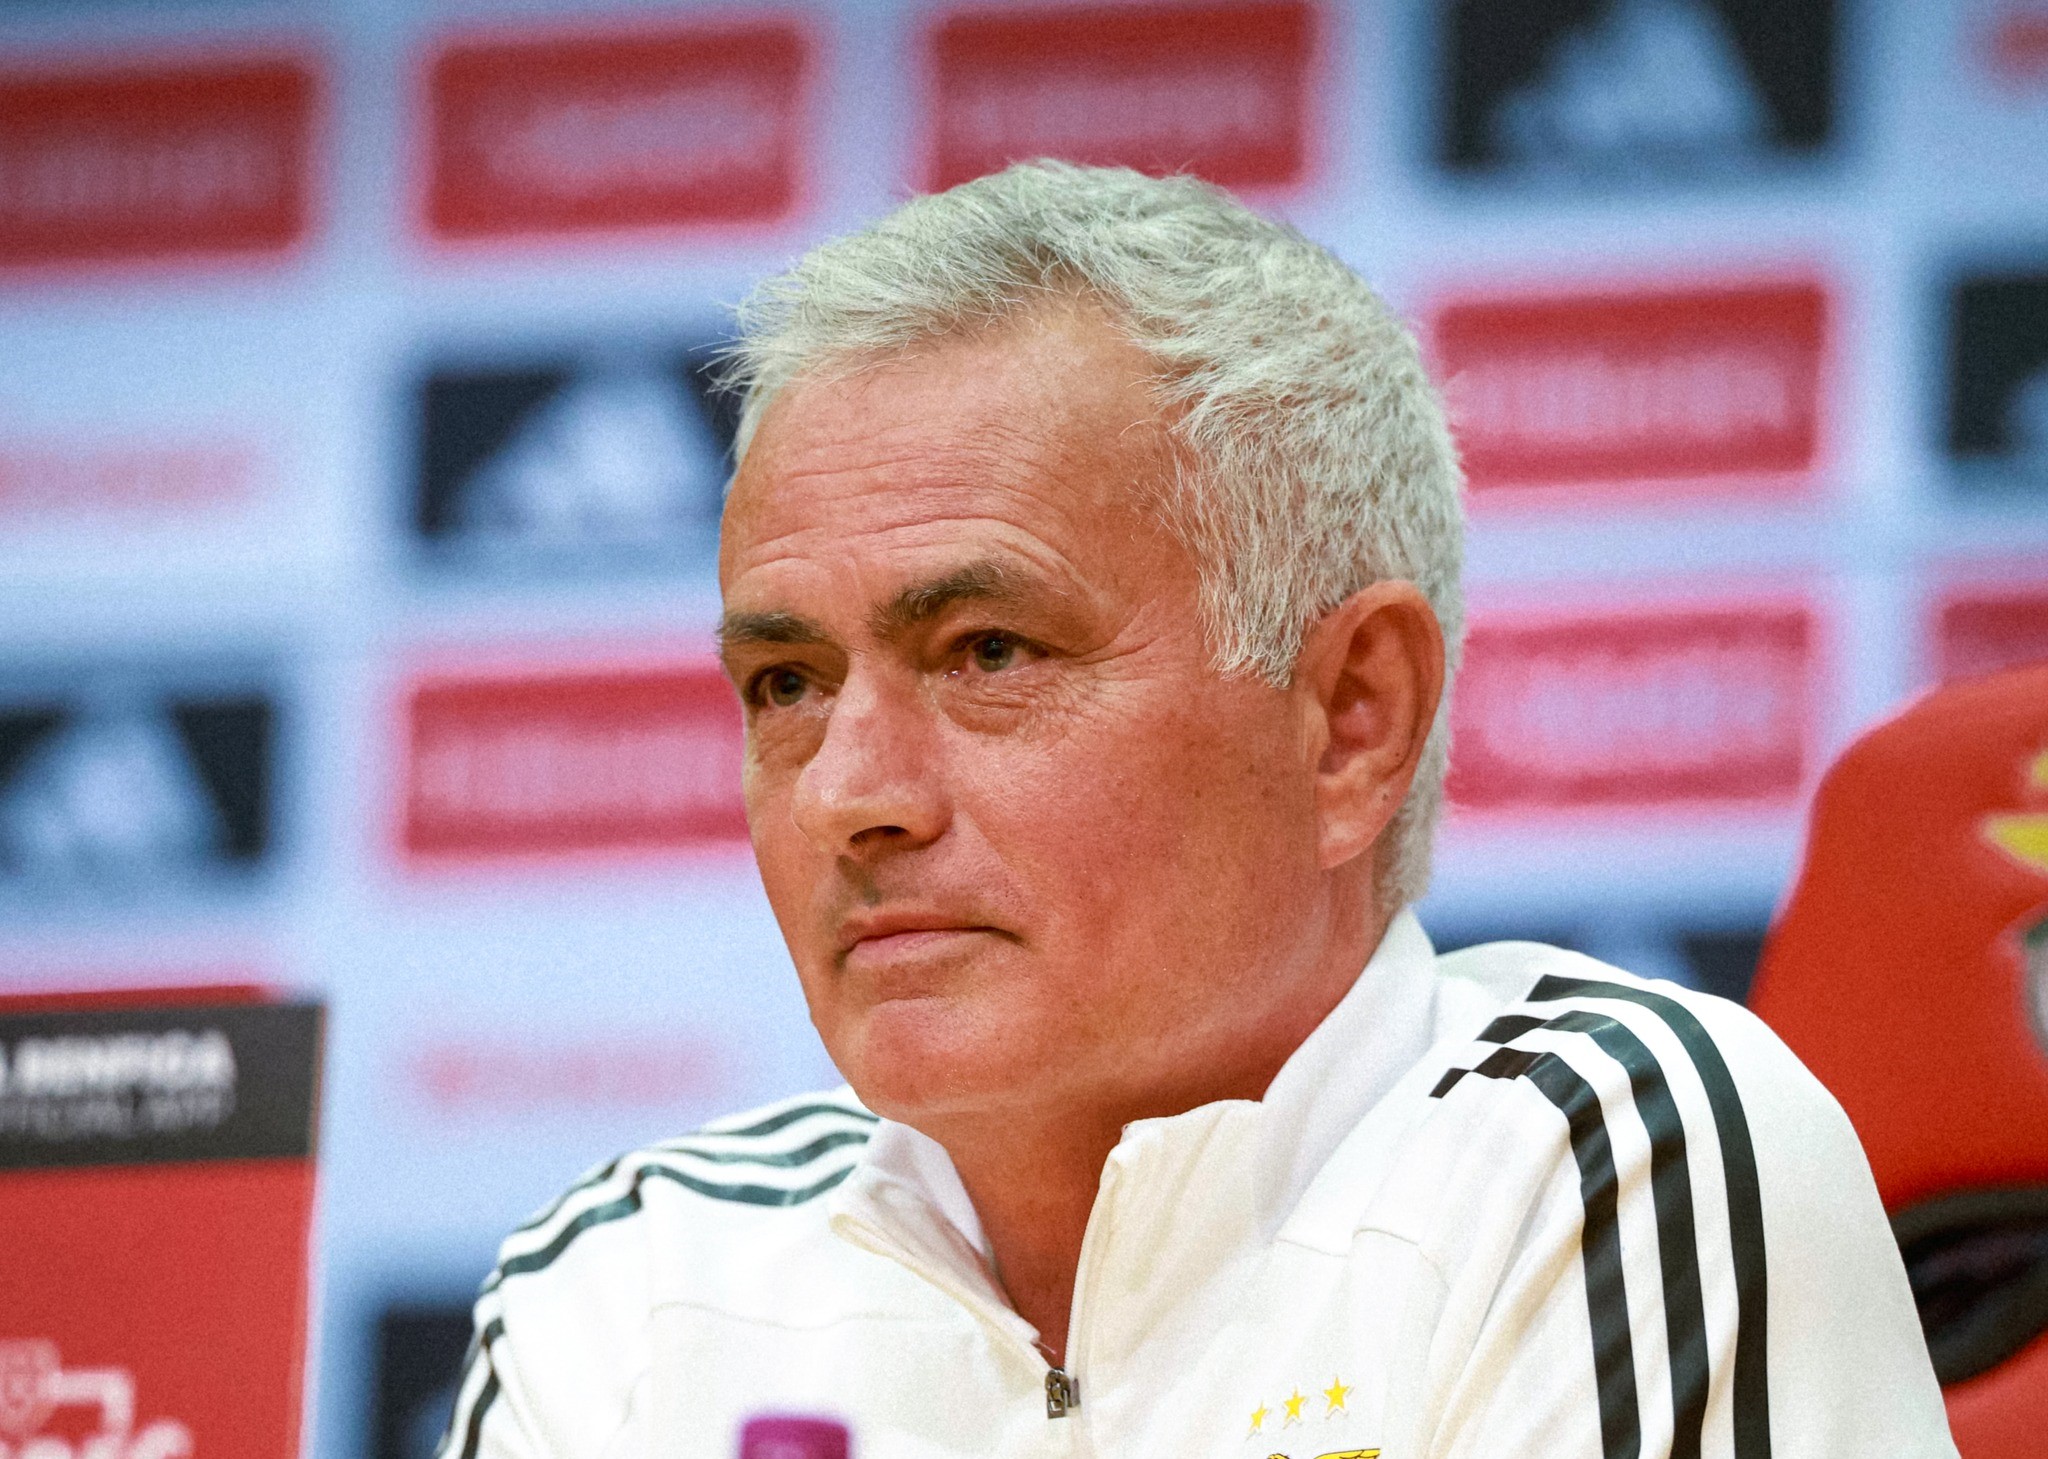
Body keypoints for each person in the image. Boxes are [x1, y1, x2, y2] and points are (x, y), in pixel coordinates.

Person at [440, 162, 1955, 1459]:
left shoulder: (1593, 1157)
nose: (849, 795)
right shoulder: (635, 1285)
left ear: (1349, 719)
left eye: (989, 653)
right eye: (785, 684)